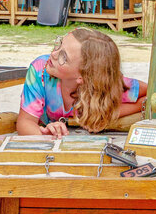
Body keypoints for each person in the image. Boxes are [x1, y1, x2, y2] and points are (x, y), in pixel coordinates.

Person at [14, 27, 147, 136]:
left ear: (82, 76)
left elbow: (151, 94)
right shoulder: (40, 70)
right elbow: (25, 122)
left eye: (63, 57)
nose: (53, 54)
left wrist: (105, 115)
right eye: (58, 45)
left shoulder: (109, 83)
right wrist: (45, 134)